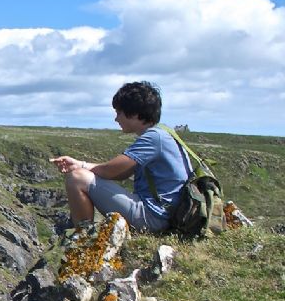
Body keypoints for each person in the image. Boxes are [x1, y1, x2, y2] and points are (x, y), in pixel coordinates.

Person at [49, 81, 189, 233]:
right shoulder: (163, 134)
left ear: (135, 114)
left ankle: (83, 238)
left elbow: (111, 171)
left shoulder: (154, 138)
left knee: (76, 178)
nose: (116, 119)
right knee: (79, 173)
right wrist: (79, 164)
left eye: (119, 113)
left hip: (154, 218)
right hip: (165, 215)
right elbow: (122, 173)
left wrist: (80, 166)